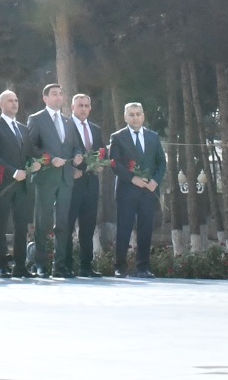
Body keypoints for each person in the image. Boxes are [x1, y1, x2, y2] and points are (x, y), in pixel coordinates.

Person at [26, 82, 84, 278]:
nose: (59, 97)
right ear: (45, 98)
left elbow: (76, 146)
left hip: (66, 178)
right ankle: (40, 264)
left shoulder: (68, 122)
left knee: (63, 224)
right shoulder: (36, 119)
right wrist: (50, 159)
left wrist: (77, 156)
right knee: (42, 223)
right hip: (46, 177)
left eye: (61, 94)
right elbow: (31, 147)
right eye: (54, 94)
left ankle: (59, 266)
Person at [109, 101, 167, 277]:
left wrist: (155, 182)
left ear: (143, 116)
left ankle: (144, 267)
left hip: (148, 192)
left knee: (145, 229)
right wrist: (132, 178)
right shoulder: (117, 137)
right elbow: (115, 164)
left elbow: (161, 163)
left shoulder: (153, 137)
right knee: (124, 229)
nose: (135, 118)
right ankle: (120, 266)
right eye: (131, 114)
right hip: (127, 191)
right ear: (125, 117)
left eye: (138, 114)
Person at [0, 90, 32, 277]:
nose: (14, 103)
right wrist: (14, 172)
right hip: (4, 183)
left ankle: (20, 265)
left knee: (21, 225)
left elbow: (27, 153)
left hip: (22, 185)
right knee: (1, 224)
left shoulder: (23, 128)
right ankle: (0, 265)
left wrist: (31, 165)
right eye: (10, 101)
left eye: (16, 100)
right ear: (1, 105)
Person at [65, 92, 105, 277]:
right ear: (72, 107)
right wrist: (70, 168)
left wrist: (101, 165)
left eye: (86, 105)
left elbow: (100, 152)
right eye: (79, 105)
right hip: (71, 183)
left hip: (91, 183)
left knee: (88, 226)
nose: (83, 109)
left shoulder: (95, 129)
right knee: (67, 225)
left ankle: (86, 266)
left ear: (90, 108)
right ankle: (65, 265)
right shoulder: (65, 126)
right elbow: (60, 151)